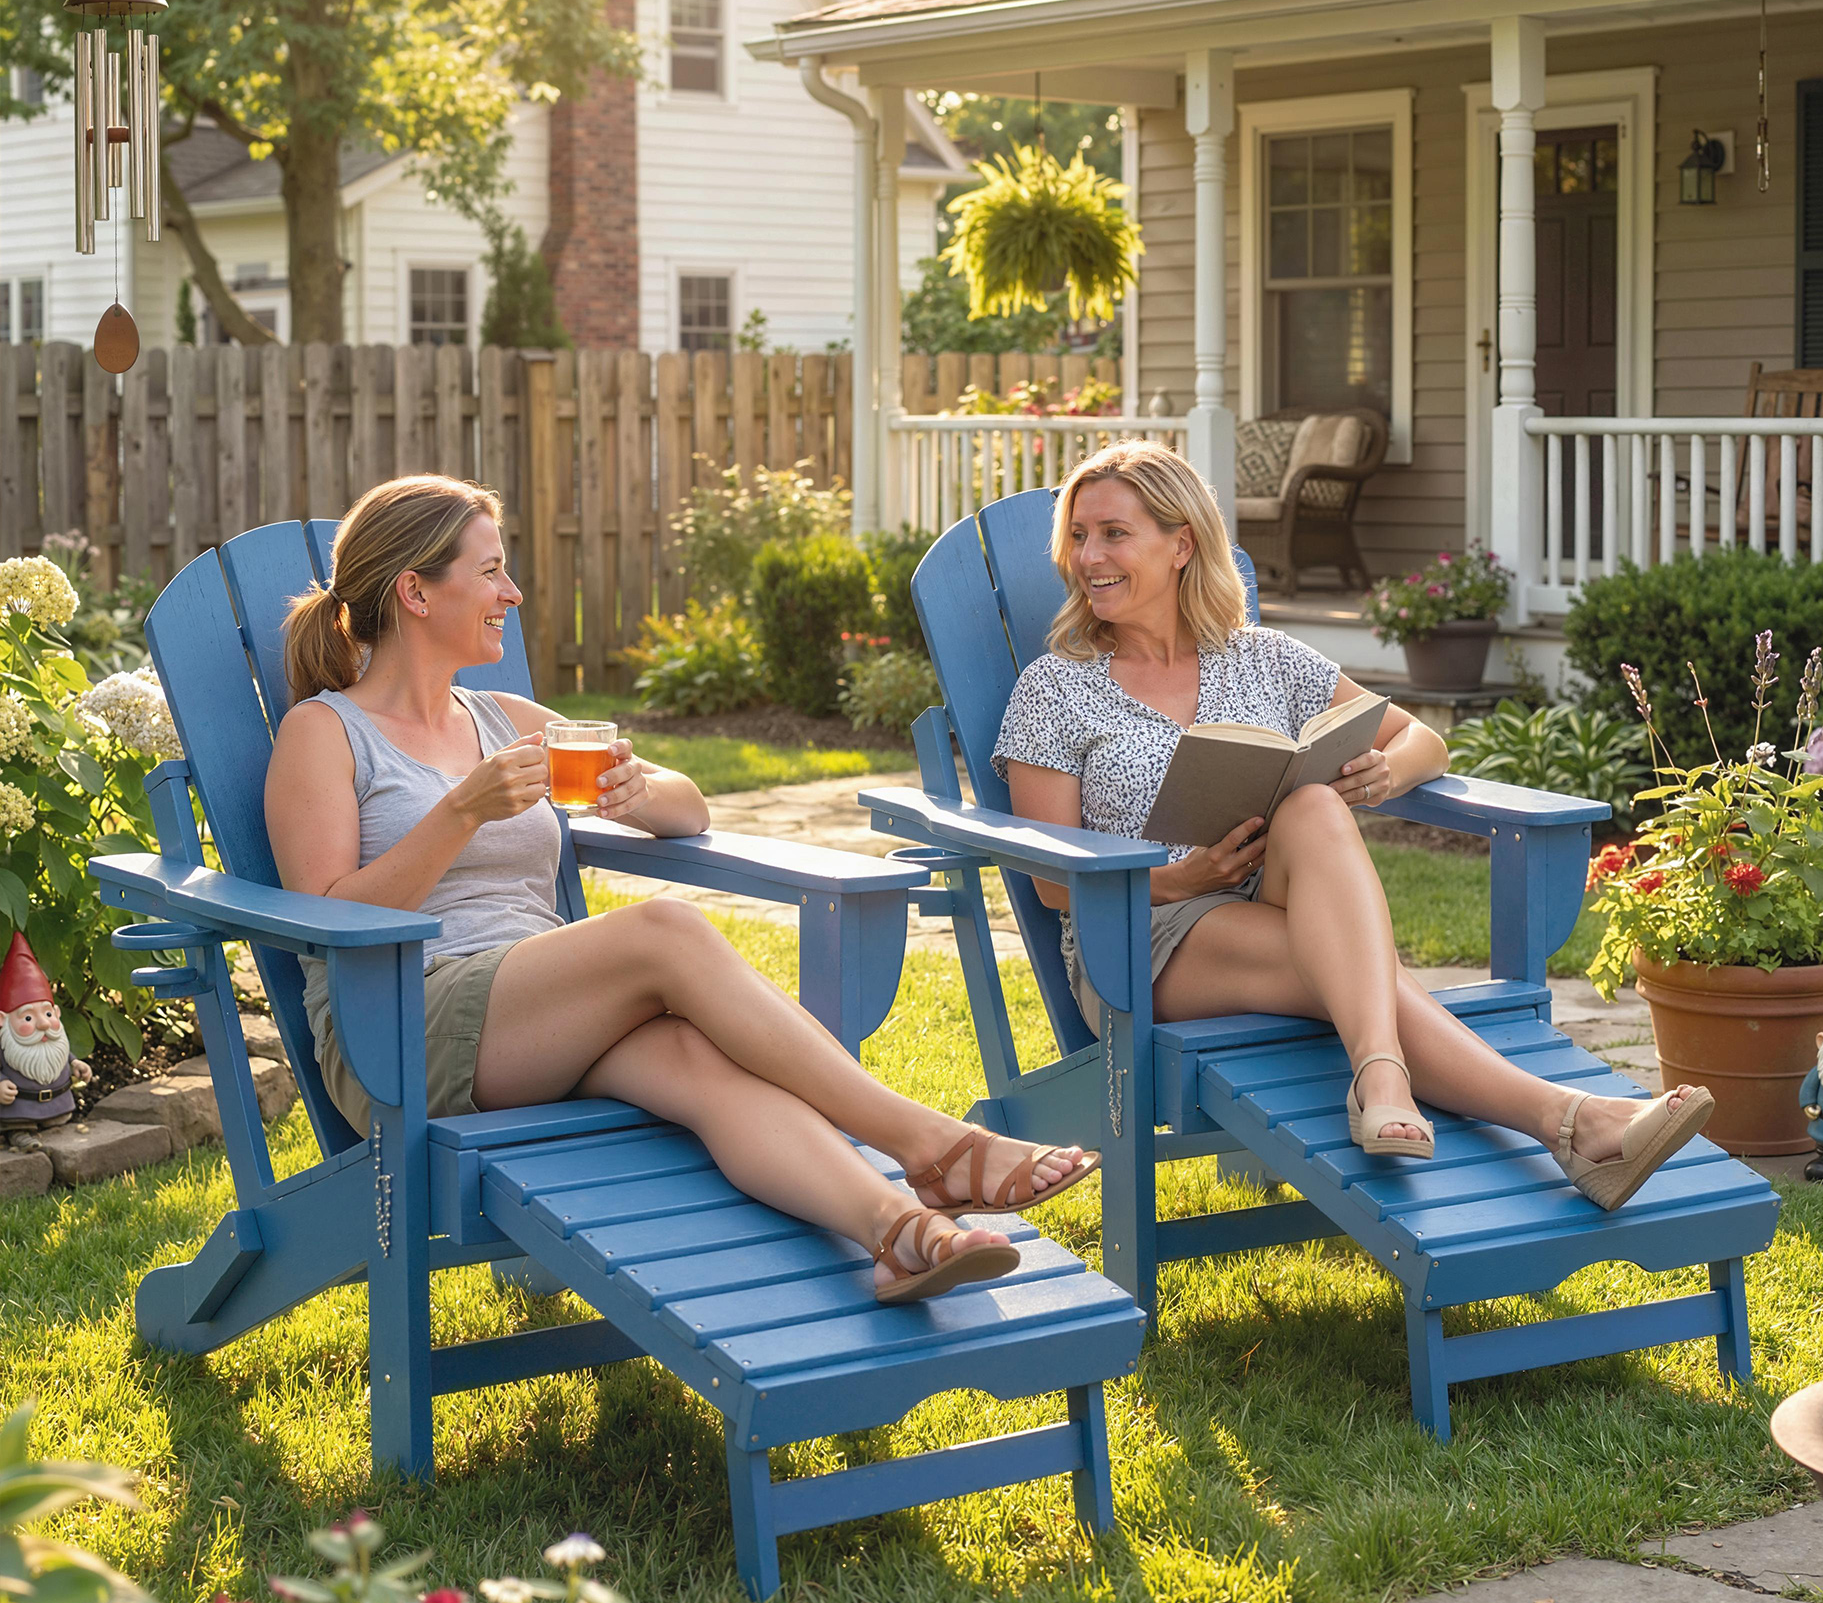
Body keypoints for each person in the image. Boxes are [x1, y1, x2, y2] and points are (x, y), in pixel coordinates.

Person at [263, 475, 1096, 1304]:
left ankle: (903, 1232)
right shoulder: (325, 732)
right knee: (663, 930)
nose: (510, 594)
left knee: (702, 1065)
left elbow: (687, 801)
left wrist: (639, 793)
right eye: (489, 573)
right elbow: (328, 916)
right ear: (415, 590)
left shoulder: (503, 718)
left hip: (541, 1010)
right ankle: (933, 1145)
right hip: (401, 1027)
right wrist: (460, 812)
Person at [993, 442, 1714, 1211]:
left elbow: (1420, 738)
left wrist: (1390, 772)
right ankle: (1561, 1118)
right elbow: (1050, 883)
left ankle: (1419, 1085)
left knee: (1313, 805)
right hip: (1138, 937)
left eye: (1112, 534)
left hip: (1266, 898)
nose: (1087, 557)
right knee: (1353, 968)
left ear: (1182, 544)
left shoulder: (1264, 658)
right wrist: (1184, 877)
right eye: (1077, 536)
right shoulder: (1056, 687)